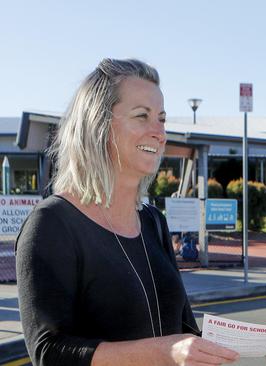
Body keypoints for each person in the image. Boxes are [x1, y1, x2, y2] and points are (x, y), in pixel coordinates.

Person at [15, 58, 239, 365]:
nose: (159, 132)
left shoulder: (153, 222)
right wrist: (163, 353)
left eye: (161, 118)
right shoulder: (52, 223)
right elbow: (49, 351)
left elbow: (185, 331)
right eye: (142, 116)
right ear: (98, 125)